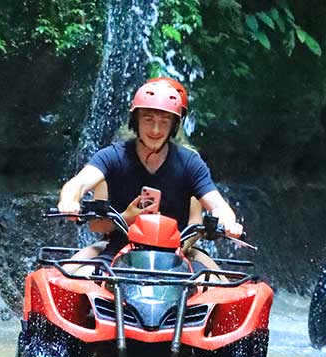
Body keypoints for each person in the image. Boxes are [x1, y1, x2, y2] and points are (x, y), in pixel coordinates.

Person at [57, 80, 242, 267]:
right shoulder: (112, 156)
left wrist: (228, 222)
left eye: (164, 122)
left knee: (220, 287)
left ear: (174, 126)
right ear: (135, 120)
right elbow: (78, 183)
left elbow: (217, 204)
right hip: (119, 246)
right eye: (148, 120)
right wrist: (69, 201)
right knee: (68, 276)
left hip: (177, 252)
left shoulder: (190, 162)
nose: (155, 130)